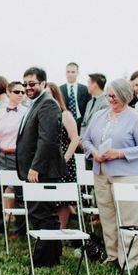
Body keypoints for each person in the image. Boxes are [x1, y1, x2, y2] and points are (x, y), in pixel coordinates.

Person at [82, 79, 138, 270]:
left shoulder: (136, 118)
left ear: (125, 96)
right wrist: (94, 153)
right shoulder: (99, 115)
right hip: (101, 172)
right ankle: (112, 256)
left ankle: (128, 260)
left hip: (126, 175)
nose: (110, 99)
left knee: (128, 218)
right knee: (107, 216)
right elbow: (86, 140)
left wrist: (119, 153)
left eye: (114, 96)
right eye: (108, 95)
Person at [15, 67, 65, 267]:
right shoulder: (35, 104)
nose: (28, 87)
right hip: (35, 169)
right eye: (25, 84)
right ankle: (52, 256)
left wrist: (35, 167)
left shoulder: (48, 105)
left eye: (32, 84)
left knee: (42, 213)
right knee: (42, 213)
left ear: (43, 84)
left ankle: (44, 258)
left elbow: (48, 140)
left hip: (42, 171)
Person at [0, 81, 27, 238]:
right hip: (2, 156)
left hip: (19, 158)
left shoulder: (26, 113)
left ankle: (20, 231)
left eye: (23, 92)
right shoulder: (0, 114)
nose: (21, 95)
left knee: (20, 194)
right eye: (17, 92)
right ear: (9, 93)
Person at [47, 83, 81, 229]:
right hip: (47, 161)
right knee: (49, 196)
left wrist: (64, 160)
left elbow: (75, 139)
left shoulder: (65, 114)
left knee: (63, 199)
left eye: (48, 94)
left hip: (63, 160)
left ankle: (62, 230)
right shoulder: (43, 114)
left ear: (55, 95)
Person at [60, 62, 89, 129]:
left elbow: (88, 108)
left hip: (82, 124)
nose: (70, 74)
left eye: (73, 72)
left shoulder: (85, 89)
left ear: (77, 73)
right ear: (65, 73)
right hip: (65, 124)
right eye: (68, 72)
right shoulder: (60, 89)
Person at [79, 73, 108, 139]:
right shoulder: (90, 103)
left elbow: (102, 126)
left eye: (89, 83)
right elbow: (84, 123)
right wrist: (82, 139)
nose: (87, 86)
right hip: (85, 143)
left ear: (95, 85)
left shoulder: (106, 103)